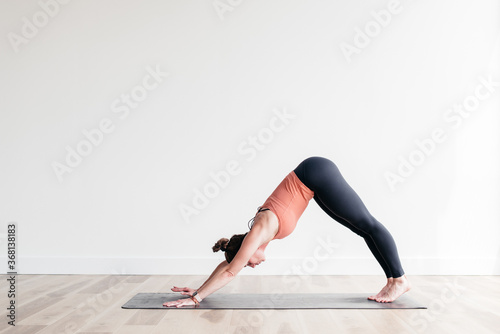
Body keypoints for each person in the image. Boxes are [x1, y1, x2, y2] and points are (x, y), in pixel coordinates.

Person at [164, 157, 411, 307]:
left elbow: (230, 271)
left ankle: (400, 279)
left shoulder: (258, 232)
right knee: (362, 229)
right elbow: (227, 265)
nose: (250, 266)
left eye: (247, 263)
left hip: (316, 173)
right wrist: (198, 289)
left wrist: (196, 299)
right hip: (312, 181)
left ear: (247, 249)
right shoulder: (256, 236)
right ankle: (391, 281)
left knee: (367, 224)